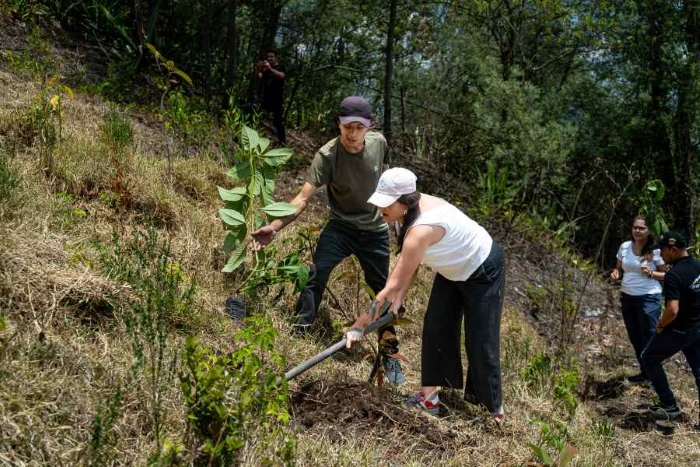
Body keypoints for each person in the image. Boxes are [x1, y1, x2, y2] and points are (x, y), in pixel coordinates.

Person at [251, 95, 405, 384]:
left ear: (369, 127)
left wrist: (396, 223)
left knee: (382, 292)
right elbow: (302, 199)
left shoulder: (379, 144)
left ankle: (391, 358)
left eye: (359, 127)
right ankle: (300, 332)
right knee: (317, 274)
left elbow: (387, 180)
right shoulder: (327, 155)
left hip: (374, 231)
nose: (352, 133)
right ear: (339, 124)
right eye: (347, 126)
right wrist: (274, 227)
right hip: (341, 227)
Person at [346, 167, 506, 424]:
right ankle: (429, 399)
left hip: (482, 268)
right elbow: (411, 266)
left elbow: (389, 287)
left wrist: (357, 326)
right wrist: (401, 296)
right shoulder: (407, 215)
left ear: (404, 202)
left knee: (481, 340)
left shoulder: (420, 228)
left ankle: (494, 411)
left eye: (386, 204)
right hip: (451, 269)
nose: (380, 210)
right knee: (436, 327)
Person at [640, 231, 700, 428]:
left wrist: (661, 325)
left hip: (679, 330)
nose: (661, 255)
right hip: (697, 329)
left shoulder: (674, 275)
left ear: (673, 250)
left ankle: (669, 406)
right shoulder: (696, 266)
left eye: (663, 251)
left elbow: (672, 309)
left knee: (649, 358)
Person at [610, 214, 667, 383]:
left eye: (642, 228)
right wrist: (615, 274)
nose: (637, 230)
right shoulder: (625, 247)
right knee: (635, 336)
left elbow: (668, 275)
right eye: (635, 227)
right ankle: (645, 373)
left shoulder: (655, 251)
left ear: (649, 231)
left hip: (649, 298)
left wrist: (651, 273)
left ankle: (655, 378)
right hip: (627, 297)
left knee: (649, 336)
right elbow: (619, 269)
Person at [247, 50, 286, 144]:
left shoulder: (280, 67)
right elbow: (259, 77)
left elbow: (282, 76)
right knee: (250, 108)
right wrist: (258, 68)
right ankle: (248, 134)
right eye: (268, 57)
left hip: (277, 100)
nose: (270, 58)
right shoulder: (266, 70)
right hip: (265, 99)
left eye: (272, 56)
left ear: (276, 57)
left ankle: (282, 142)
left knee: (278, 123)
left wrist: (270, 68)